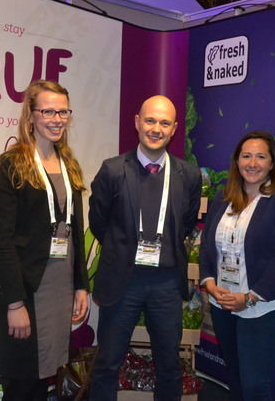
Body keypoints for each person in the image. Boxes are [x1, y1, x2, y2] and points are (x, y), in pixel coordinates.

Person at [87, 95, 203, 401]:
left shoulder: (189, 175)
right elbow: (99, 222)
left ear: (174, 129)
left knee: (169, 365)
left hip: (166, 284)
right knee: (107, 363)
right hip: (122, 282)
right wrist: (123, 249)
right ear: (137, 122)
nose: (156, 128)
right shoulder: (112, 170)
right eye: (150, 120)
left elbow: (186, 224)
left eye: (164, 123)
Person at [0, 80, 90, 401]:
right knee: (22, 384)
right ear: (30, 115)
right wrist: (15, 303)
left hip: (60, 290)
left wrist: (81, 285)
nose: (57, 119)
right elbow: (2, 240)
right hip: (27, 292)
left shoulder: (68, 163)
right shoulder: (11, 164)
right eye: (48, 111)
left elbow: (76, 230)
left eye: (63, 112)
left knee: (46, 377)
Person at [199, 130, 275, 401]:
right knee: (235, 376)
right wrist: (209, 284)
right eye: (246, 156)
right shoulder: (223, 198)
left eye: (261, 157)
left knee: (255, 385)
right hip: (224, 303)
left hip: (261, 308)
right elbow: (208, 246)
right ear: (237, 162)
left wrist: (249, 298)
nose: (253, 163)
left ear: (272, 163)